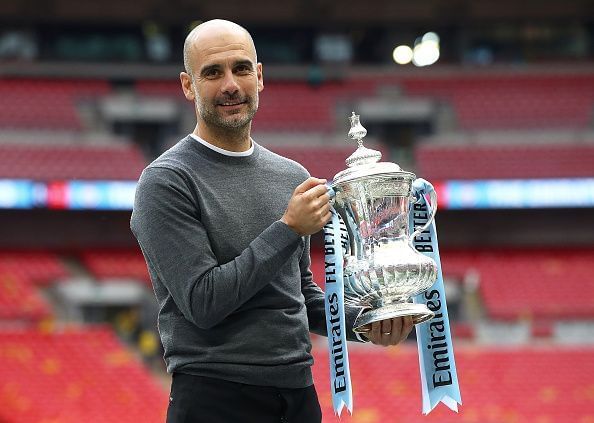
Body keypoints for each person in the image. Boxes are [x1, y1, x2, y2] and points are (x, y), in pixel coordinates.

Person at [130, 19, 413, 423]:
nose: (231, 84)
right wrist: (287, 229)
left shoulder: (290, 176)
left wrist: (366, 324)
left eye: (241, 68)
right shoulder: (166, 181)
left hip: (298, 394)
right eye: (212, 72)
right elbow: (203, 302)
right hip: (215, 397)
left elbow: (299, 295)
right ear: (188, 86)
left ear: (259, 77)